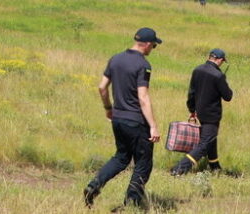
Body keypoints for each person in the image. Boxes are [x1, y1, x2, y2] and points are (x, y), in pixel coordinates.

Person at [84, 27, 162, 209]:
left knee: (121, 158)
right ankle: (131, 205)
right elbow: (143, 97)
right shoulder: (143, 65)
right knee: (143, 163)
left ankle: (93, 186)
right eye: (154, 46)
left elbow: (102, 87)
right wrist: (153, 126)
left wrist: (108, 109)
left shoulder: (115, 59)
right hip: (136, 122)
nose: (153, 50)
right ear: (148, 44)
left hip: (118, 119)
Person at [170, 49, 234, 176]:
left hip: (200, 112)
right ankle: (180, 168)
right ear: (220, 60)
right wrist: (224, 81)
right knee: (205, 143)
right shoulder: (218, 75)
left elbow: (191, 93)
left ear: (209, 57)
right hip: (212, 115)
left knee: (211, 140)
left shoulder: (197, 70)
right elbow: (228, 96)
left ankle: (215, 168)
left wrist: (192, 110)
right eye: (222, 61)